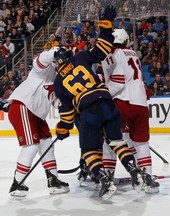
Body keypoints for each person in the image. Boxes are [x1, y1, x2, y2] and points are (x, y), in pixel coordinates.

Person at [53, 6, 143, 200]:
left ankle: (104, 181)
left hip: (88, 111)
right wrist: (105, 26)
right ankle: (134, 171)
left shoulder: (58, 83)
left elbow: (67, 112)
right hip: (107, 102)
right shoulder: (81, 57)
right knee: (117, 142)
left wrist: (63, 128)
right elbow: (102, 48)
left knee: (89, 151)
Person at [6, 46, 70, 197]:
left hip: (37, 115)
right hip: (23, 106)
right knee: (32, 146)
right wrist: (54, 52)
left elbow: (56, 102)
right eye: (61, 59)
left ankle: (53, 179)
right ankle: (18, 183)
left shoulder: (59, 78)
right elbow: (40, 60)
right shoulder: (43, 69)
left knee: (46, 142)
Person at [101, 28, 160, 193]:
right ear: (126, 41)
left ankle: (108, 176)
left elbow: (118, 83)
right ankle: (148, 177)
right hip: (140, 104)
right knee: (142, 143)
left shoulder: (111, 55)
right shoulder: (134, 54)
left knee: (110, 142)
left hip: (122, 103)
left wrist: (100, 94)